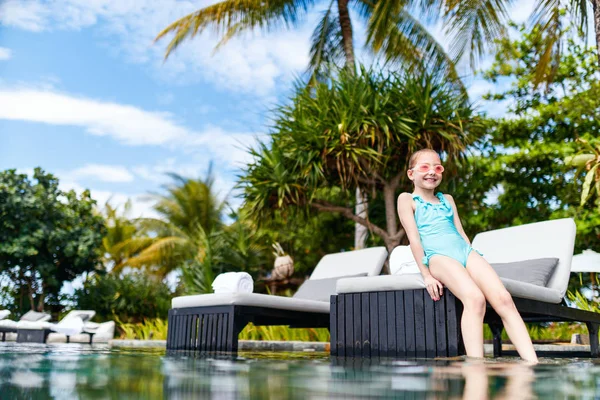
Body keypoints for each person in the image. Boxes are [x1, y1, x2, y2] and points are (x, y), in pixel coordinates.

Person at [397, 148, 537, 362]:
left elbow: (461, 234)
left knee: (504, 299)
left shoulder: (447, 199)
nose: (431, 172)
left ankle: (532, 362)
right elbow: (414, 240)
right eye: (425, 167)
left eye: (437, 167)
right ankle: (476, 365)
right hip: (437, 256)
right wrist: (426, 275)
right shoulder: (407, 199)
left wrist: (472, 262)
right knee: (475, 299)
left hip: (464, 252)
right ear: (411, 174)